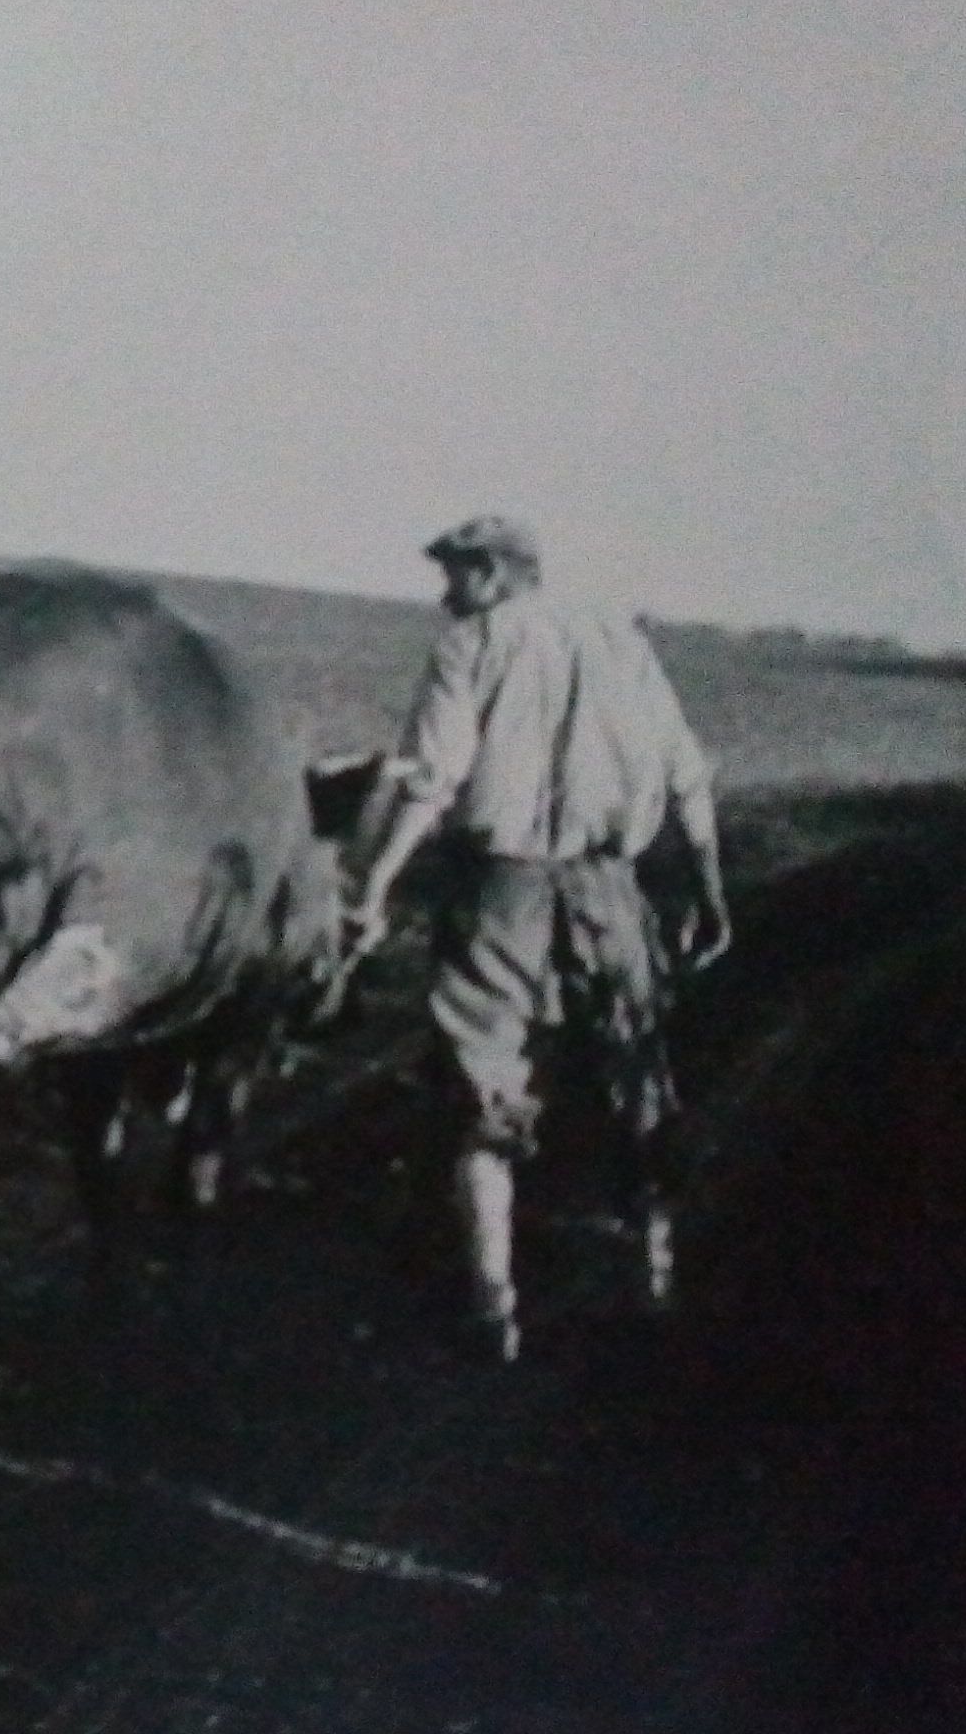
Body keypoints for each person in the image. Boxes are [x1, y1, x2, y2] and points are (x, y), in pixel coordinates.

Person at [340, 513, 732, 1363]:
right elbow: (685, 772)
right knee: (632, 1071)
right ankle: (651, 1270)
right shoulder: (622, 642)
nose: (444, 595)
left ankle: (492, 1304)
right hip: (607, 887)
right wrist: (708, 887)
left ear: (490, 573)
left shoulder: (469, 645)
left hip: (499, 890)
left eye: (452, 575)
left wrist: (372, 884)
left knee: (482, 1086)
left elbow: (434, 779)